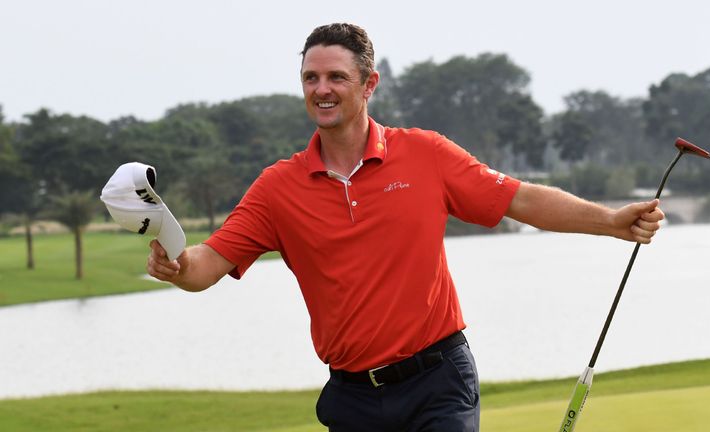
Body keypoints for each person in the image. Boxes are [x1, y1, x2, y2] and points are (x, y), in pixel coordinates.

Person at [147, 23, 664, 432]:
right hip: (352, 396)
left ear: (369, 84)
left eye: (336, 78)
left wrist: (610, 221)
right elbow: (203, 267)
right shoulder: (277, 188)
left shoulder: (425, 154)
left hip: (437, 380)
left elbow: (520, 199)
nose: (321, 90)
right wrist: (175, 263)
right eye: (311, 78)